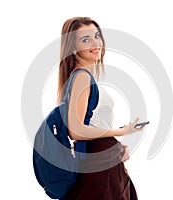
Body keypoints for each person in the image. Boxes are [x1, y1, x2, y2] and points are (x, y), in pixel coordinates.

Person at [56, 17, 145, 200]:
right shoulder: (81, 77)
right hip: (99, 160)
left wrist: (115, 146)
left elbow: (89, 125)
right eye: (85, 39)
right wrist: (120, 131)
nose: (96, 42)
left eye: (97, 36)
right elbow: (76, 130)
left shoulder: (79, 77)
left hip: (100, 157)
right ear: (72, 47)